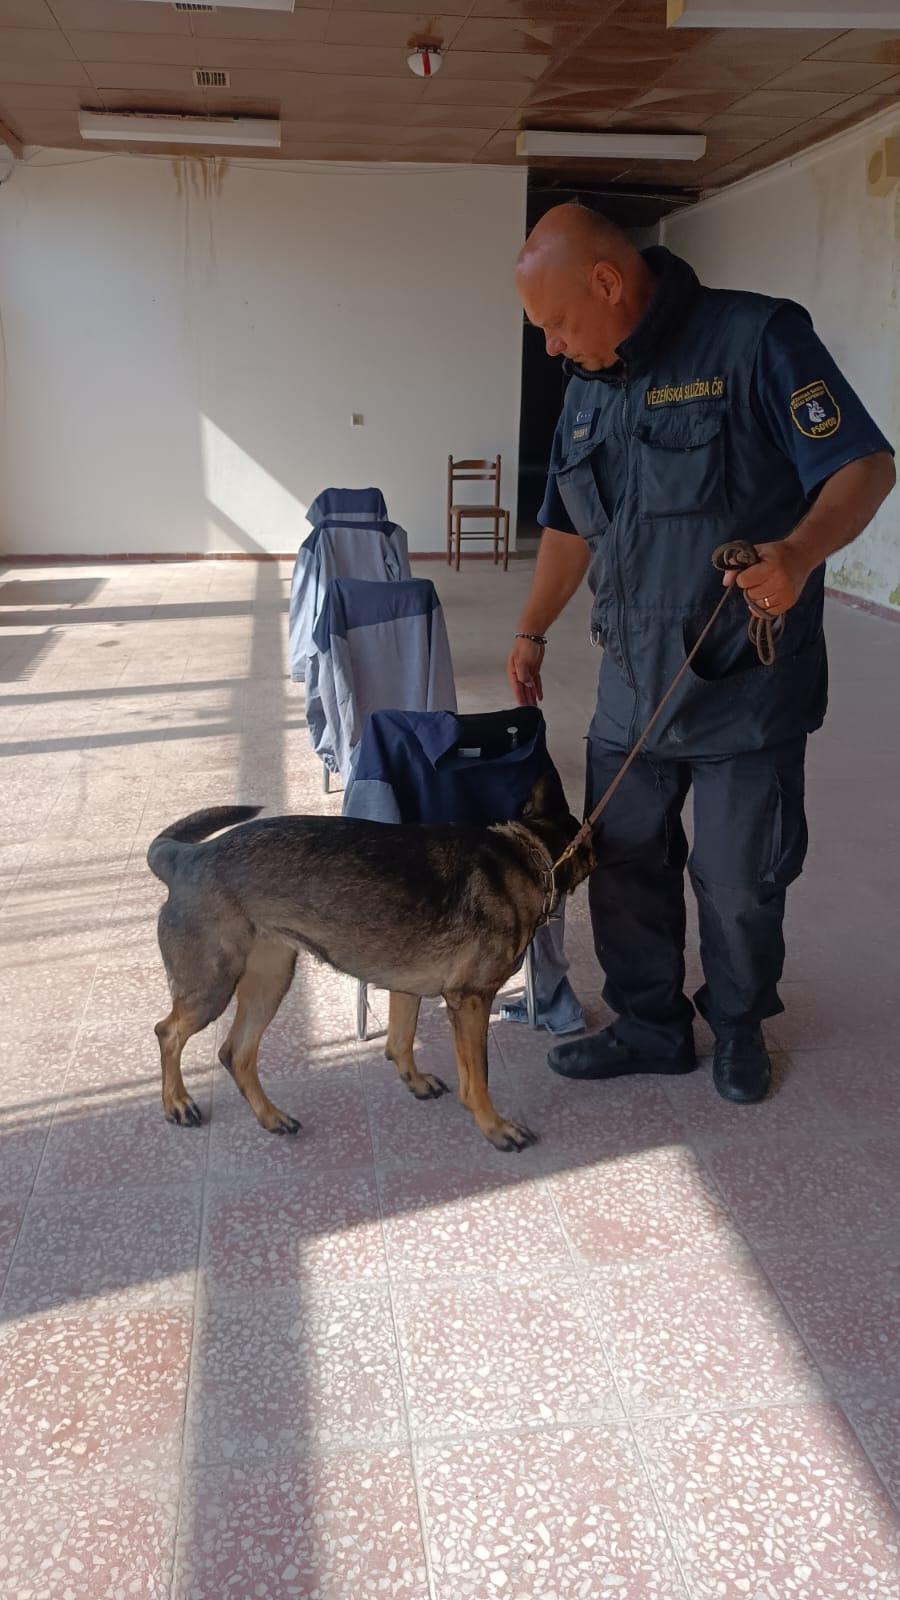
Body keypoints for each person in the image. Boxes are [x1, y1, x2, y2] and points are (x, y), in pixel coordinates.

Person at [509, 203, 895, 1102]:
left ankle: (738, 1025)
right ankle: (649, 1026)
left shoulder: (756, 340)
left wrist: (797, 554)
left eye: (556, 323)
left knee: (738, 881)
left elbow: (865, 465)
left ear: (608, 282)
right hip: (631, 684)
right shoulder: (586, 386)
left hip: (742, 685)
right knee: (624, 868)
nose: (553, 347)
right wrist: (530, 627)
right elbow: (568, 523)